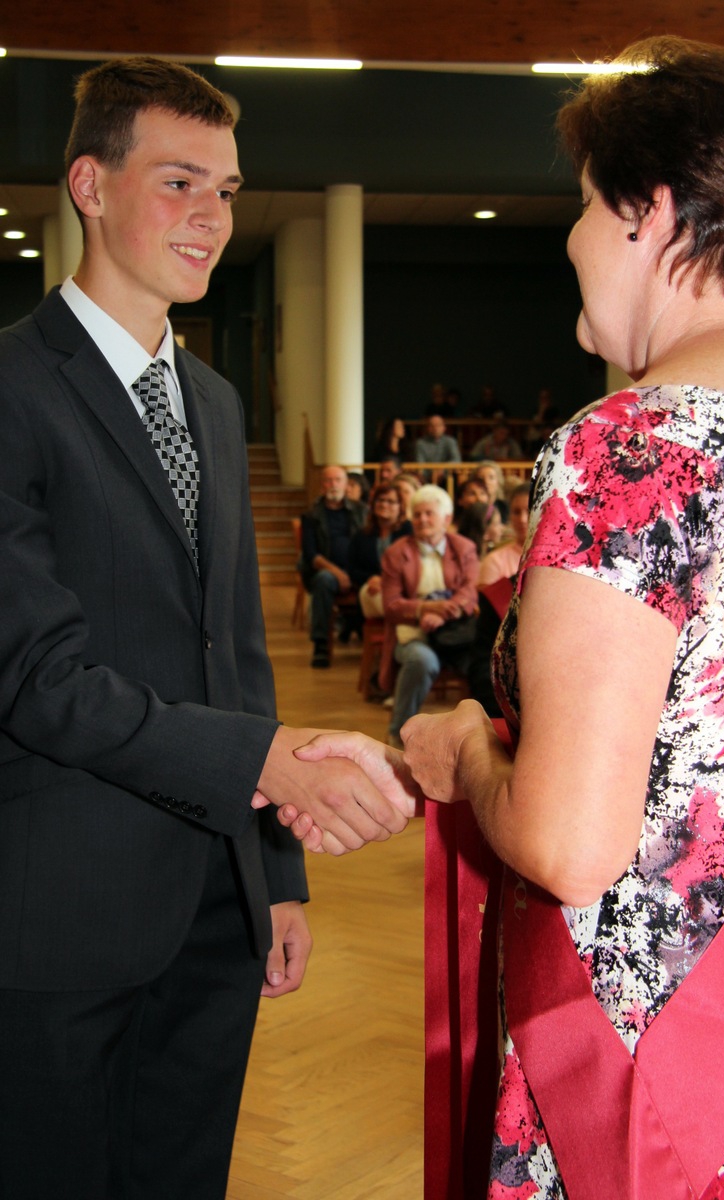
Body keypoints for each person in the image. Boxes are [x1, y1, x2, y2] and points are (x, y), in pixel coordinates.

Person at [278, 36, 724, 1199]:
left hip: (650, 1064)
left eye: (580, 204)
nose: (569, 239)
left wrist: (466, 748)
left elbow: (569, 844)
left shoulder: (629, 448)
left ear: (644, 212)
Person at [0, 56, 413, 1200]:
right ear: (90, 185)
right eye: (179, 182)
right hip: (61, 918)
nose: (211, 217)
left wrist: (275, 875)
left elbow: (234, 655)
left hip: (213, 911)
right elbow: (34, 677)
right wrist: (266, 765)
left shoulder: (218, 405)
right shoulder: (13, 388)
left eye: (225, 191)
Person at [379, 485, 478, 749]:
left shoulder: (464, 548)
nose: (422, 519)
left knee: (484, 664)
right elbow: (390, 605)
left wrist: (443, 615)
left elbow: (469, 593)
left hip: (454, 633)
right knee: (422, 661)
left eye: (429, 514)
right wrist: (425, 610)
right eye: (417, 514)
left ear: (447, 518)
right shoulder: (397, 553)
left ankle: (474, 741)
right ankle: (398, 734)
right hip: (412, 633)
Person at [300, 463, 367, 667]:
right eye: (328, 481)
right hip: (328, 571)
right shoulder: (311, 515)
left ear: (346, 485)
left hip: (359, 569)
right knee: (323, 580)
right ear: (322, 486)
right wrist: (338, 573)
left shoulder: (361, 511)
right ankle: (321, 645)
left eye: (338, 480)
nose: (333, 485)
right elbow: (311, 555)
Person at [347, 483, 411, 619]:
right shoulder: (361, 535)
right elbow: (352, 569)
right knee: (370, 593)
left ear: (400, 507)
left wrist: (386, 581)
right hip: (372, 587)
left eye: (391, 501)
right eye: (380, 500)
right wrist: (370, 578)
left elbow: (414, 564)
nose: (384, 504)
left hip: (403, 586)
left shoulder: (409, 532)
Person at [477, 482, 530, 585]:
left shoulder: (559, 559)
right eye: (516, 512)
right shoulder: (495, 561)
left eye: (529, 511)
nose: (522, 519)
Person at [413, 412, 462, 483]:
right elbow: (420, 465)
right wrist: (433, 474)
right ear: (428, 428)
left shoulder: (450, 441)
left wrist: (443, 469)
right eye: (432, 426)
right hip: (427, 479)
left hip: (447, 478)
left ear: (444, 427)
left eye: (438, 425)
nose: (435, 428)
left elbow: (457, 460)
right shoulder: (420, 443)